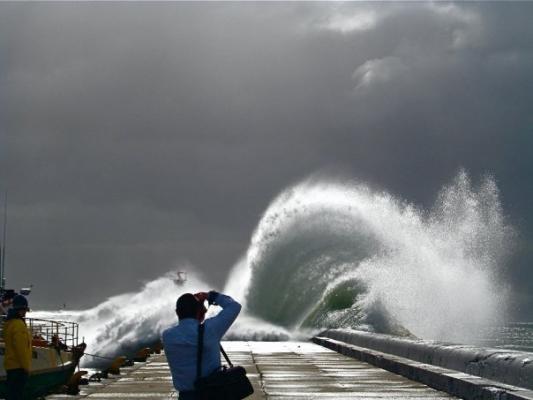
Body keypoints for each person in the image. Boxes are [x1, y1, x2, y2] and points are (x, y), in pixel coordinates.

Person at [162, 291, 241, 400]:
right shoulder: (210, 330)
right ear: (200, 311)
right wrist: (210, 295)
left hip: (186, 396)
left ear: (177, 312)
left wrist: (200, 310)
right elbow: (234, 306)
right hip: (213, 393)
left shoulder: (167, 336)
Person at [3, 294, 32, 400]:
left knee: (11, 395)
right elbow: (21, 349)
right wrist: (26, 368)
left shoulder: (9, 323)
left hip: (11, 366)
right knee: (17, 395)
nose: (25, 313)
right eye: (25, 310)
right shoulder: (19, 325)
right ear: (21, 309)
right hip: (19, 368)